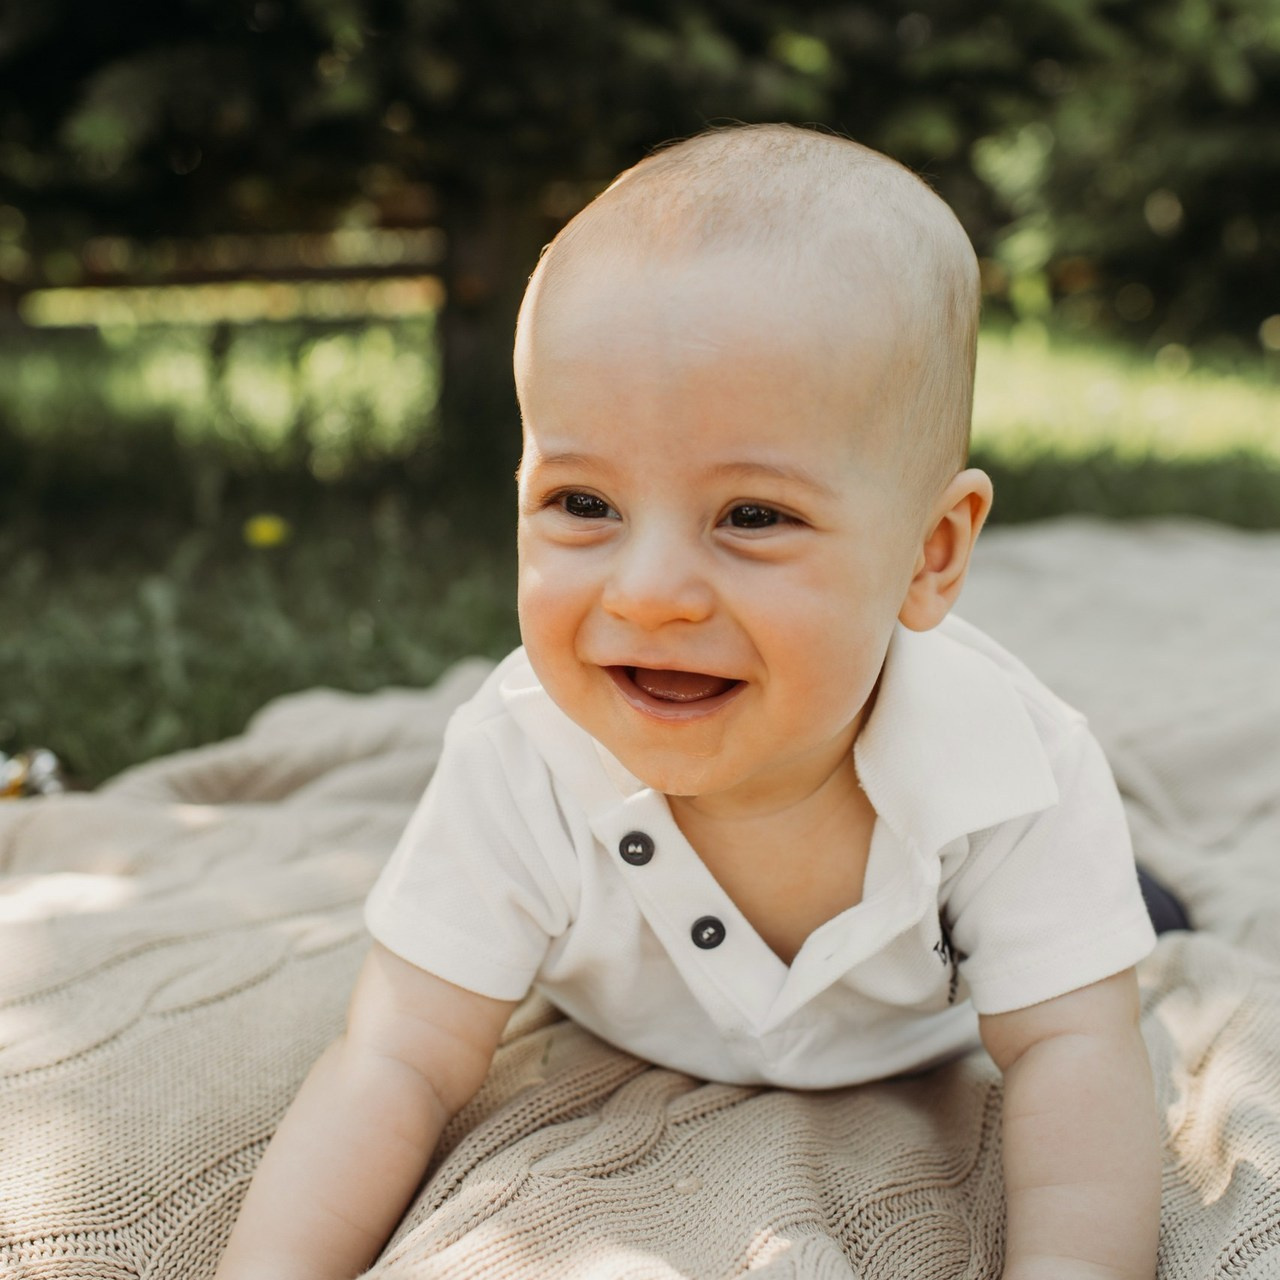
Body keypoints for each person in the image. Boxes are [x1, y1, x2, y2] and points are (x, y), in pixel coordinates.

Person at [215, 123, 1171, 1280]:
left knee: (1104, 947)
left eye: (752, 516)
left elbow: (1075, 1059)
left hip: (920, 1017)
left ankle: (1133, 902)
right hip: (618, 1008)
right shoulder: (521, 754)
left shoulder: (1010, 771)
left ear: (928, 555)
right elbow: (396, 1055)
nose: (652, 591)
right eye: (581, 501)